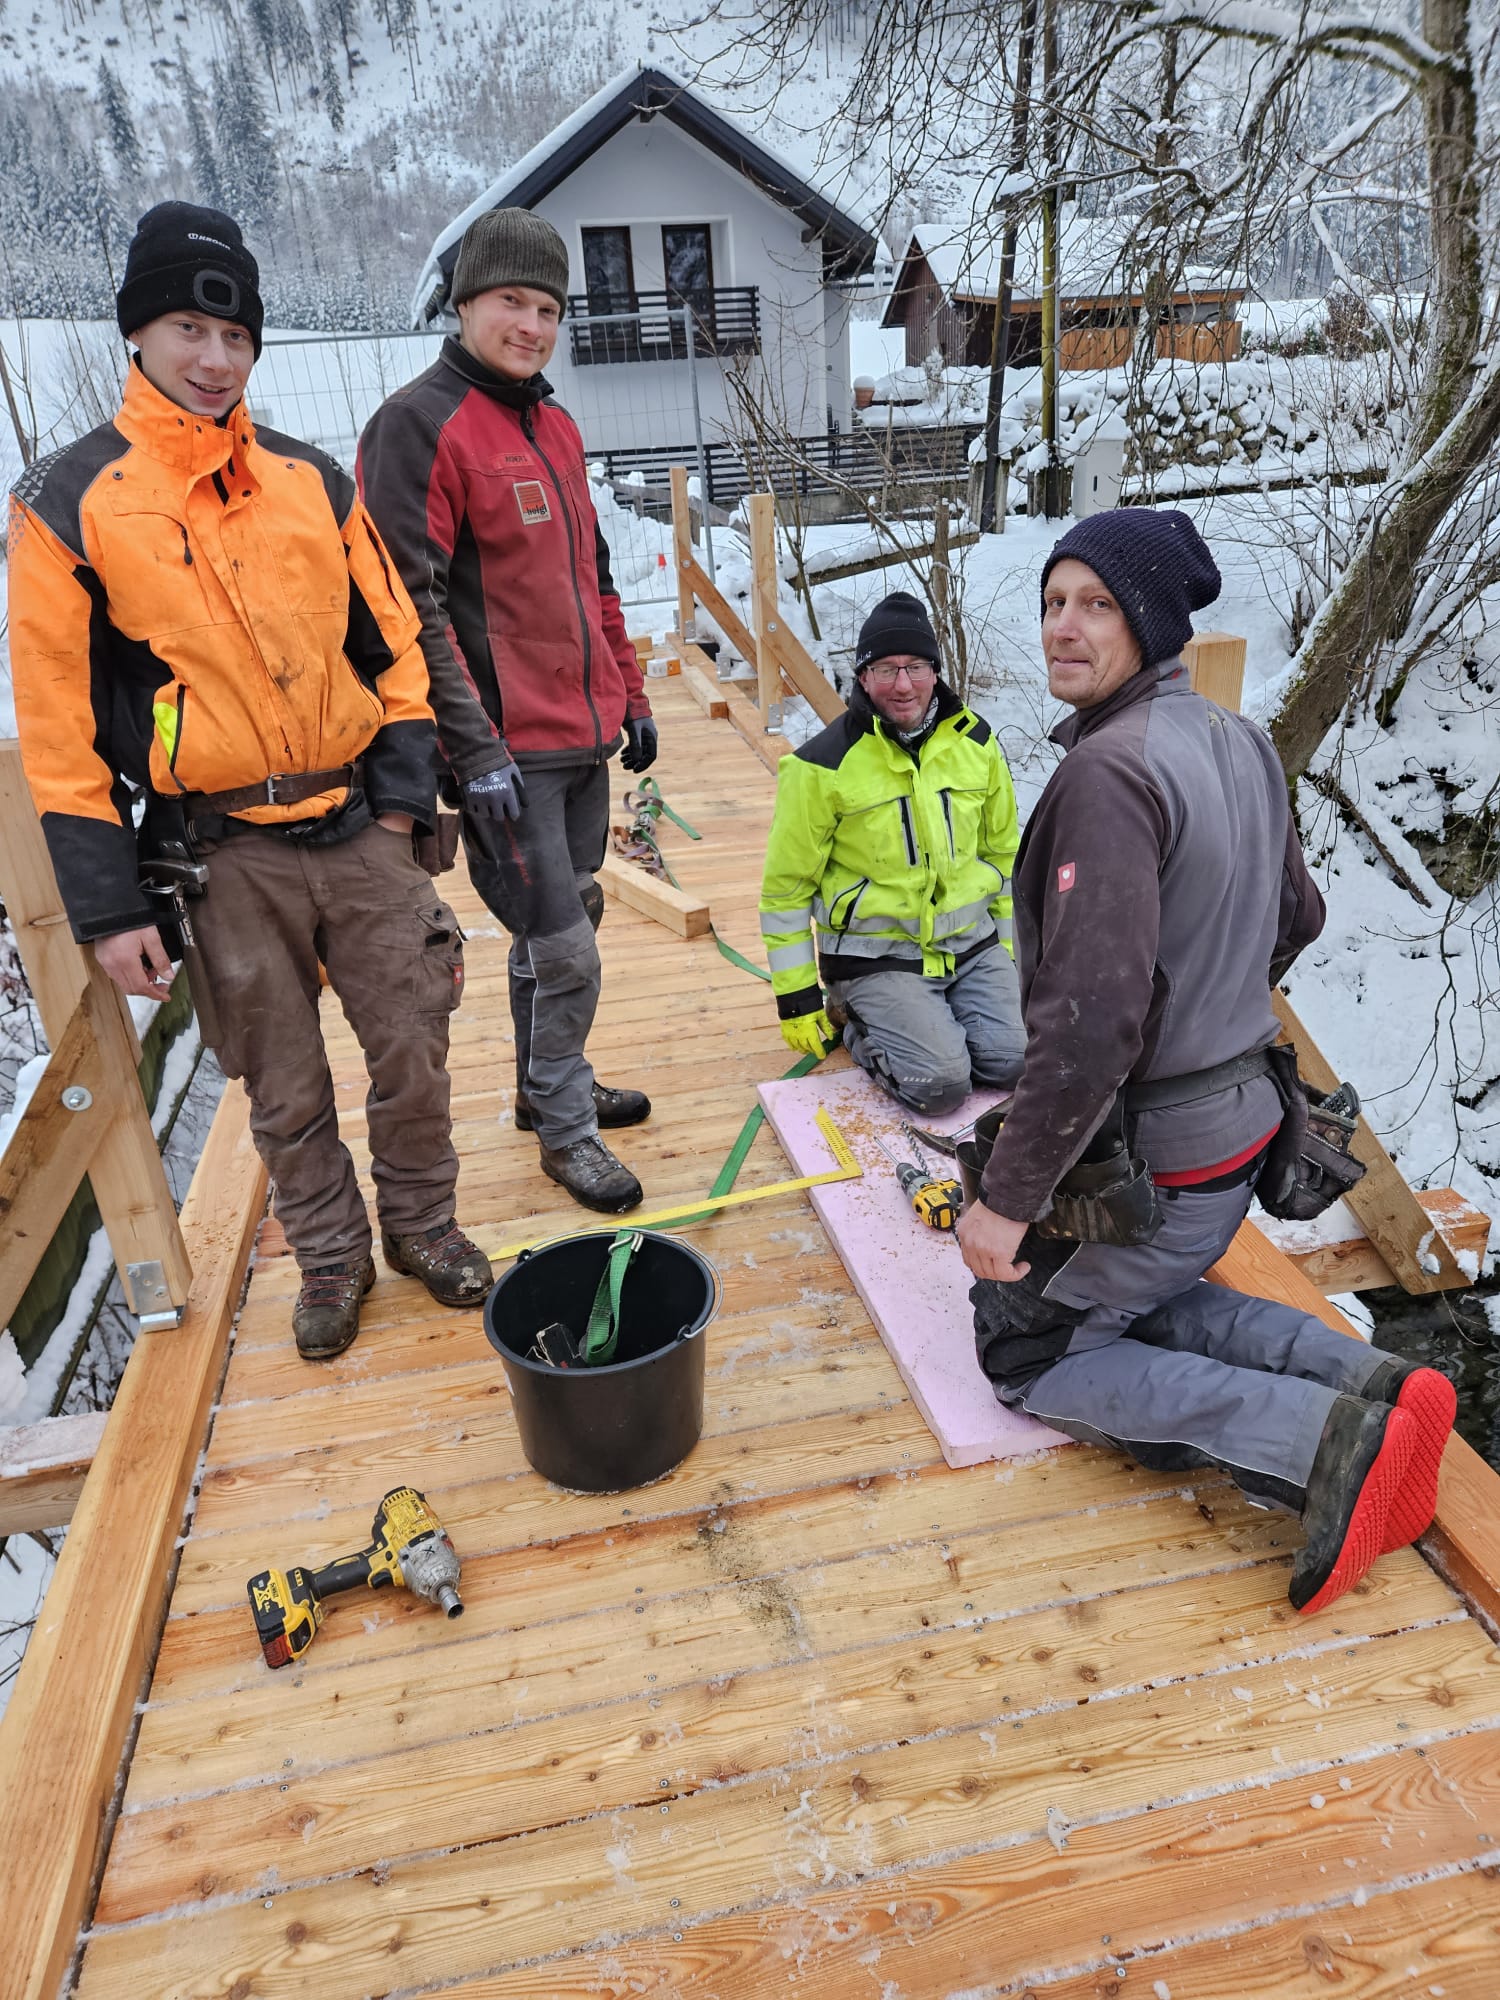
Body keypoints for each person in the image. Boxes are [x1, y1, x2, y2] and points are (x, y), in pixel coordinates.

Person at [7, 202, 492, 1362]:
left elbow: (397, 647)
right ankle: (332, 1256)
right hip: (218, 848)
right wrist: (108, 907)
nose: (215, 359)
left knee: (415, 1039)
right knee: (276, 1078)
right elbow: (61, 728)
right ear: (139, 334)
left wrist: (399, 796)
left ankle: (424, 1224)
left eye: (235, 337)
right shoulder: (69, 502)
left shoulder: (310, 480)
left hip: (357, 820)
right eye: (188, 329)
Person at [955, 508, 1457, 1616]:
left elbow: (1092, 1026)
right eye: (1051, 602)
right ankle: (1377, 1382)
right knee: (1135, 1295)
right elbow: (1300, 912)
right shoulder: (1235, 738)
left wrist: (1007, 1198)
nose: (1062, 629)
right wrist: (1211, 991)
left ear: (1151, 619)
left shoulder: (1108, 775)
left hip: (1163, 1153)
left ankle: (1331, 1440)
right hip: (1243, 1132)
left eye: (1094, 604)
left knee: (1026, 1349)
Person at [358, 208, 656, 1216]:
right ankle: (566, 1132)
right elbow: (407, 600)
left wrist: (633, 690)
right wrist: (469, 748)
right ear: (466, 302)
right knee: (564, 944)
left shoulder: (555, 424)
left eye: (547, 308)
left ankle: (547, 1089)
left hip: (580, 736)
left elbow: (596, 579)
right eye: (510, 303)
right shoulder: (420, 423)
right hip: (503, 754)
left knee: (575, 914)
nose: (530, 325)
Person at [759, 591, 1025, 1112]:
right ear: (863, 678)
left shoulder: (977, 745)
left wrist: (1009, 955)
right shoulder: (820, 766)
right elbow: (787, 889)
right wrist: (796, 999)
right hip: (877, 959)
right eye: (885, 669)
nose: (902, 685)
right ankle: (855, 1017)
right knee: (942, 1086)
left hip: (970, 948)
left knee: (1013, 1062)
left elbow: (1003, 859)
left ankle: (937, 1018)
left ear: (934, 673)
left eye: (915, 667)